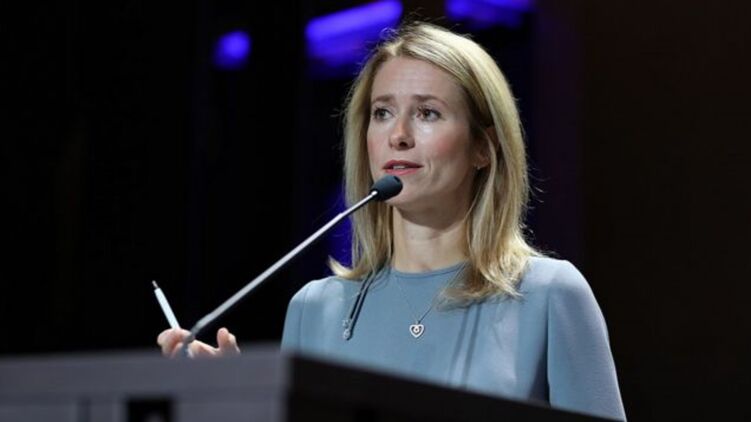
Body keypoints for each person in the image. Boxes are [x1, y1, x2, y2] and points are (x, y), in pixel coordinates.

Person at [158, 22, 626, 421]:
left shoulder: (548, 294)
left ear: (483, 148)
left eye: (427, 113)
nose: (398, 135)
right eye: (382, 113)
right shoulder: (315, 309)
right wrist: (242, 406)